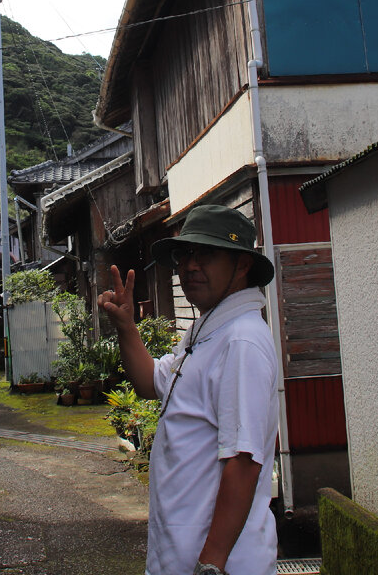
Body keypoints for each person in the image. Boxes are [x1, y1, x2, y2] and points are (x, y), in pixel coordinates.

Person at [98, 204, 279, 575]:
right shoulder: (207, 332)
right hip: (181, 557)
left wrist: (211, 564)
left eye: (207, 253)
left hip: (218, 564)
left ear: (243, 265)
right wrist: (126, 326)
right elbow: (150, 382)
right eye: (185, 254)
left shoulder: (240, 341)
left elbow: (244, 463)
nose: (190, 266)